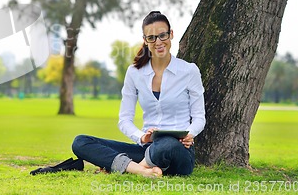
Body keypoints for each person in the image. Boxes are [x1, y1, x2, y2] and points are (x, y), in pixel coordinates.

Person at [72, 11, 206, 177]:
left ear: (171, 34)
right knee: (81, 142)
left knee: (166, 144)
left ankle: (131, 169)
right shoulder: (134, 73)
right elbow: (125, 120)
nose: (158, 42)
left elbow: (199, 117)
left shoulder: (189, 71)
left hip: (179, 152)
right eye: (152, 38)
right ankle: (142, 170)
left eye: (162, 35)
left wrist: (190, 134)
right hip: (146, 149)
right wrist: (142, 137)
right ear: (145, 40)